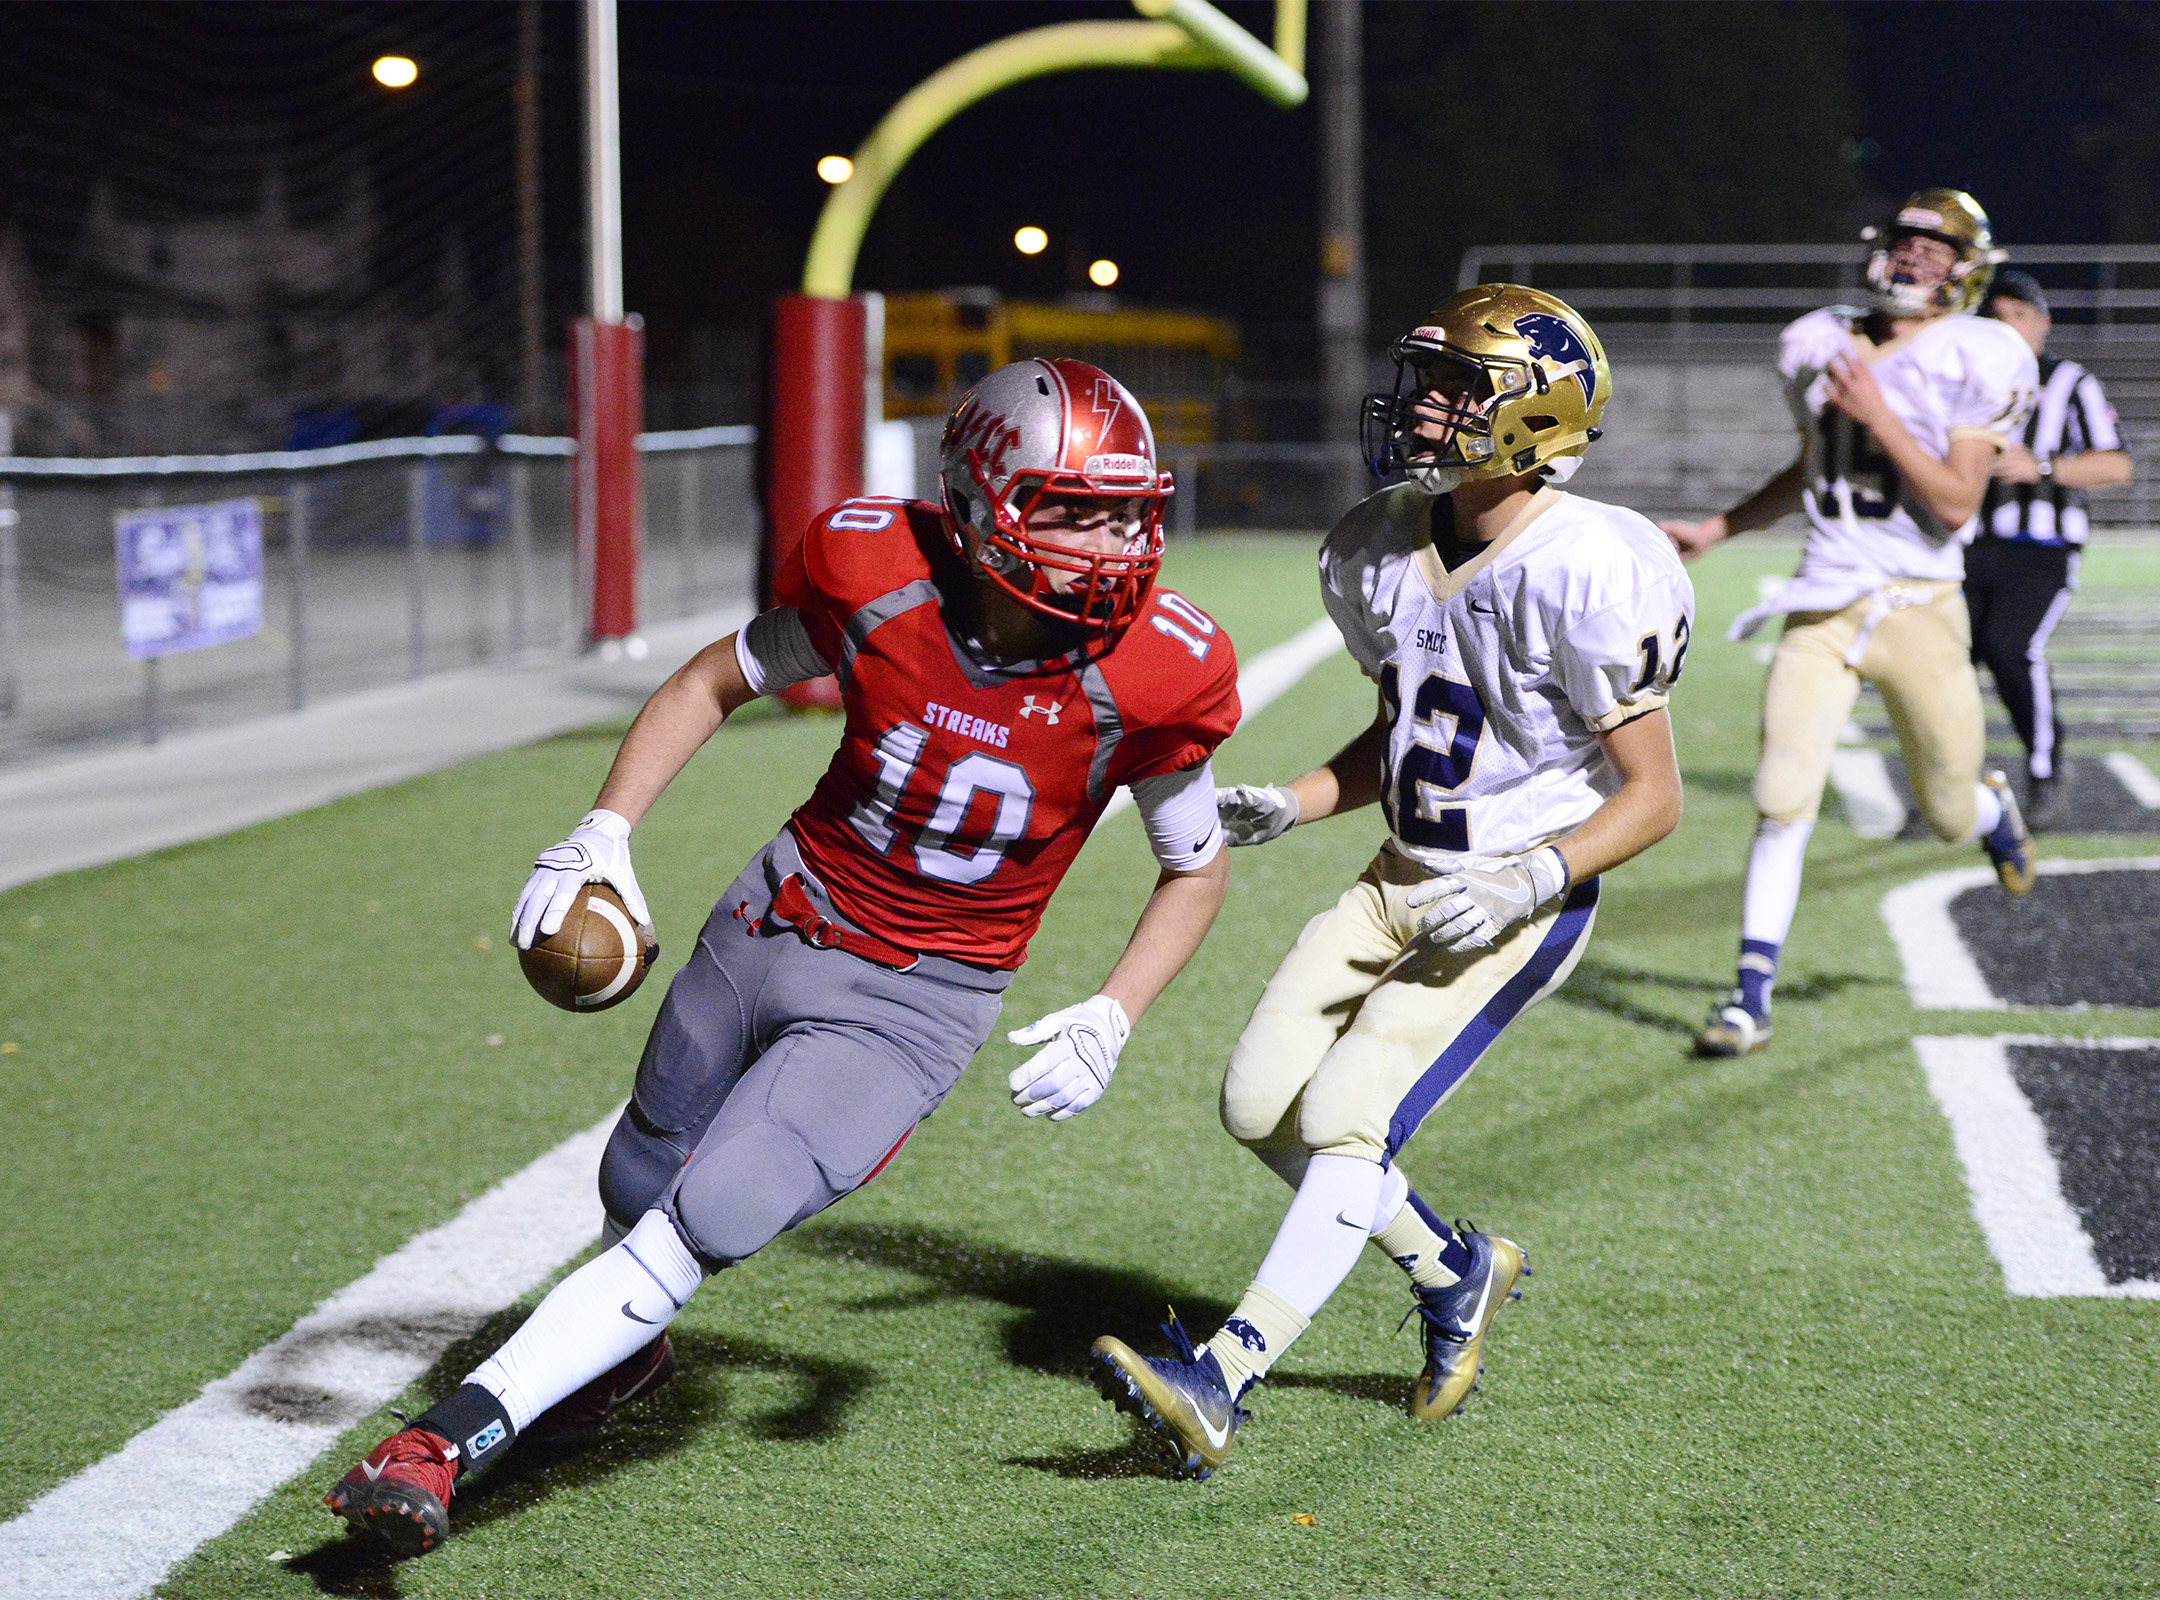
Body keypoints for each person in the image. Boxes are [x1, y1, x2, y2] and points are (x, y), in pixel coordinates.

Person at [324, 358, 1241, 1554]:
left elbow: (1195, 861)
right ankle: (624, 1355)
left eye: (1128, 511)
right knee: (637, 1175)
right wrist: (605, 831)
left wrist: (1116, 1009)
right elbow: (715, 679)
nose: (1110, 542)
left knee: (722, 1201)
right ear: (979, 499)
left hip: (918, 997)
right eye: (1072, 508)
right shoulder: (883, 578)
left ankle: (439, 1445)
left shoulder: (1156, 669)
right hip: (777, 912)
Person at [1089, 286, 1692, 1479]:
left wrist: (1536, 877)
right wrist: (1297, 799)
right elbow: (1408, 734)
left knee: (1340, 1119)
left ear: (1539, 417)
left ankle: (1225, 1373)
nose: (1425, 408)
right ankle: (1456, 1268)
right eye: (1427, 382)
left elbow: (1654, 795)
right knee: (1257, 1105)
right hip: (1394, 877)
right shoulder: (1378, 545)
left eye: (1462, 390)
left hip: (1515, 901)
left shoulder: (1591, 564)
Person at [1662, 189, 2040, 1059]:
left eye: (1936, 249)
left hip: (1920, 604)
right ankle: (1749, 994)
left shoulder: (1981, 352)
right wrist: (1719, 529)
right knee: (1781, 795)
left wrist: (1879, 415)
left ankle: (1990, 813)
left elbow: (1953, 503)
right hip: (1823, 602)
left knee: (1945, 810)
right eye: (1905, 242)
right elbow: (1816, 467)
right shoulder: (1817, 340)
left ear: (1967, 269)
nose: (1913, 259)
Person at [1967, 269, 2134, 830]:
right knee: (1942, 665)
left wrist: (2041, 467)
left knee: (2010, 647)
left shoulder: (2068, 382)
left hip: (2041, 548)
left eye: (2018, 315)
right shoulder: (1961, 380)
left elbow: (2116, 464)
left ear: (2042, 324)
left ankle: (2045, 772)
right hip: (1962, 546)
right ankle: (1942, 785)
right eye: (1995, 317)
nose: (2006, 328)